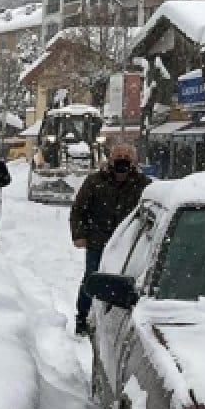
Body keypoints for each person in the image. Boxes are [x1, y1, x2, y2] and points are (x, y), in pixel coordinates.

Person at [69, 143, 151, 336]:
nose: (122, 158)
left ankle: (115, 320)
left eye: (126, 155)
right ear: (110, 158)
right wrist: (79, 234)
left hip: (128, 244)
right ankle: (82, 316)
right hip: (98, 241)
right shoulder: (94, 181)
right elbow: (78, 209)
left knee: (126, 283)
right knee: (92, 279)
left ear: (133, 160)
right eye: (118, 155)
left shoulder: (143, 185)